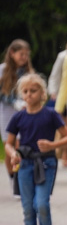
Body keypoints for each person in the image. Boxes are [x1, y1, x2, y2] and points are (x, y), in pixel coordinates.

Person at [5, 73, 67, 225]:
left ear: (42, 93)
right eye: (25, 91)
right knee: (27, 208)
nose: (29, 95)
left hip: (46, 163)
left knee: (41, 204)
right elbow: (9, 143)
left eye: (33, 91)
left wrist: (52, 146)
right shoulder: (18, 117)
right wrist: (13, 154)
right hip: (25, 164)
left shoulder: (50, 114)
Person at [1, 39, 35, 182]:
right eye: (21, 54)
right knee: (9, 147)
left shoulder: (28, 72)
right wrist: (15, 102)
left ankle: (21, 179)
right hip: (7, 112)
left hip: (24, 113)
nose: (24, 58)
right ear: (12, 53)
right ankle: (12, 178)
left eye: (26, 54)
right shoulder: (2, 69)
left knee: (20, 146)